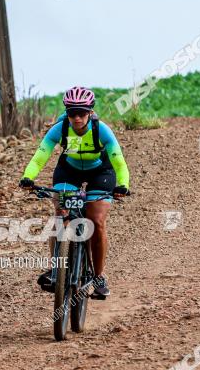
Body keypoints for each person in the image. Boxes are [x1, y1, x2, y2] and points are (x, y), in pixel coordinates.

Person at [19, 86, 130, 297]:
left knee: (96, 221)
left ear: (90, 112)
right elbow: (40, 156)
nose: (77, 118)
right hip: (68, 171)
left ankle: (98, 276)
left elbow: (119, 162)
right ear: (66, 113)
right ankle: (56, 269)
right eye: (72, 113)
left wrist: (123, 184)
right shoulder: (59, 129)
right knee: (60, 216)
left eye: (81, 113)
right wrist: (28, 177)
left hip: (101, 172)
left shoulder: (102, 130)